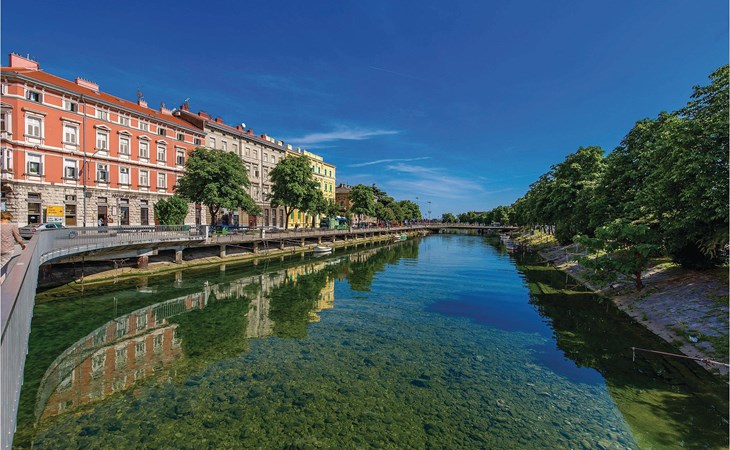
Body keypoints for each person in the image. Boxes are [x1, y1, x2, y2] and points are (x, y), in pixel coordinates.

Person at [1, 211, 26, 283]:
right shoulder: (12, 225)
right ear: (8, 218)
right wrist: (22, 245)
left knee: (2, 269)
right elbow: (18, 239)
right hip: (7, 249)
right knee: (2, 268)